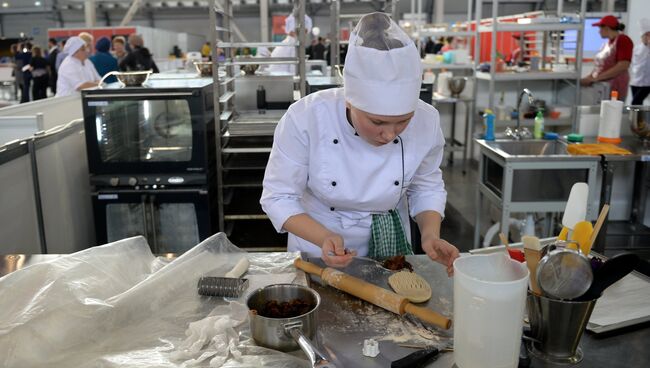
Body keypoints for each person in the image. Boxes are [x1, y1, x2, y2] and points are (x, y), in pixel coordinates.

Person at [260, 13, 459, 273]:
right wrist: (323, 237)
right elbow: (278, 197)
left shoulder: (426, 120)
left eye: (402, 122)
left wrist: (430, 235)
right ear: (349, 101)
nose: (389, 135)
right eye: (377, 122)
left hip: (391, 242)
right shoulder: (306, 117)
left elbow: (426, 187)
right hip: (317, 242)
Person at [581, 15, 633, 101]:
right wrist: (589, 78)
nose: (599, 32)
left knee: (611, 111)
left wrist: (596, 78)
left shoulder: (623, 40)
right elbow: (599, 66)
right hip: (602, 86)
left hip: (615, 87)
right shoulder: (605, 44)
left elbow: (623, 65)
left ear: (607, 28)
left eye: (600, 29)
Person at [631, 18, 650, 105]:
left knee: (635, 102)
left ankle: (637, 118)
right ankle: (638, 118)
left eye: (649, 35)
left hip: (647, 83)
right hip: (635, 82)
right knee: (638, 104)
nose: (647, 37)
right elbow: (633, 64)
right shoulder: (637, 49)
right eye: (645, 35)